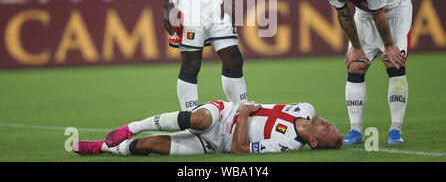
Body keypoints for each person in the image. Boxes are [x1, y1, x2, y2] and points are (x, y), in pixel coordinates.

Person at [323, 0, 412, 145]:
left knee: (393, 61)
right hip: (365, 13)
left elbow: (379, 15)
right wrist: (356, 47)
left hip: (394, 9)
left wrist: (389, 46)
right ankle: (355, 130)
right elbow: (343, 14)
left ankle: (395, 129)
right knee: (356, 66)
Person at [73, 100, 343, 156]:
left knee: (151, 145)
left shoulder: (290, 143)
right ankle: (132, 126)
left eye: (328, 131)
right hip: (223, 111)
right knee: (199, 119)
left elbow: (239, 149)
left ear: (315, 143)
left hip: (217, 144)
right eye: (331, 126)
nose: (329, 124)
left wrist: (246, 114)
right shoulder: (305, 108)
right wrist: (241, 109)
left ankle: (104, 148)